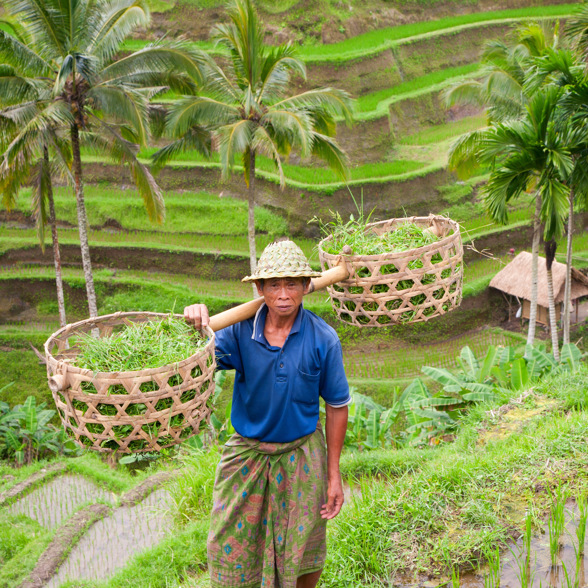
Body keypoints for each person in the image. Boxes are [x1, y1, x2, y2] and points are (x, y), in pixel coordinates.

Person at [184, 240, 351, 588]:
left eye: (292, 283)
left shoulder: (323, 339)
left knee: (303, 548)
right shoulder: (239, 332)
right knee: (228, 546)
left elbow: (336, 407)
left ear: (307, 286)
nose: (284, 294)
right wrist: (194, 321)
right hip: (247, 453)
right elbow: (191, 355)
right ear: (259, 289)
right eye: (274, 284)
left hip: (302, 454)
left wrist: (333, 474)